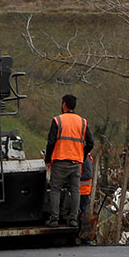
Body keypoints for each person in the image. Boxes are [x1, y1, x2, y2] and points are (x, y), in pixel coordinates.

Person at [44, 93, 92, 227]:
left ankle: (54, 219)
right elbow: (91, 142)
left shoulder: (58, 120)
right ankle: (73, 220)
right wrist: (81, 154)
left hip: (60, 161)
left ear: (64, 104)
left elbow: (51, 142)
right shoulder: (82, 122)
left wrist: (48, 159)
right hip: (76, 162)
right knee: (75, 190)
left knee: (55, 189)